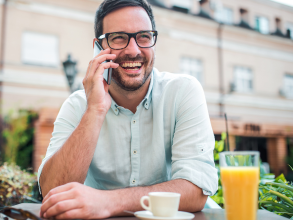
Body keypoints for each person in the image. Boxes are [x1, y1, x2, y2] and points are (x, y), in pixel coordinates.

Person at [38, 0, 218, 219]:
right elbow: (52, 192)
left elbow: (196, 190)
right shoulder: (77, 106)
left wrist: (108, 201)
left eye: (144, 36)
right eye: (119, 38)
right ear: (99, 47)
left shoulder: (183, 92)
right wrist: (95, 111)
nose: (133, 51)